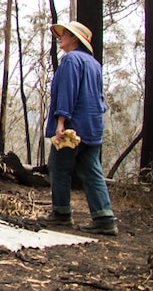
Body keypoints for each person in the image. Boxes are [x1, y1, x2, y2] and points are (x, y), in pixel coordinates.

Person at [38, 20, 118, 235]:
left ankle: (61, 214)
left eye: (65, 34)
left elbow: (67, 92)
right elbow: (98, 98)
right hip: (93, 125)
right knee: (92, 170)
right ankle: (104, 218)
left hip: (73, 126)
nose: (60, 37)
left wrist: (61, 121)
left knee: (59, 167)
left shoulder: (71, 60)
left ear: (75, 39)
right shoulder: (94, 64)